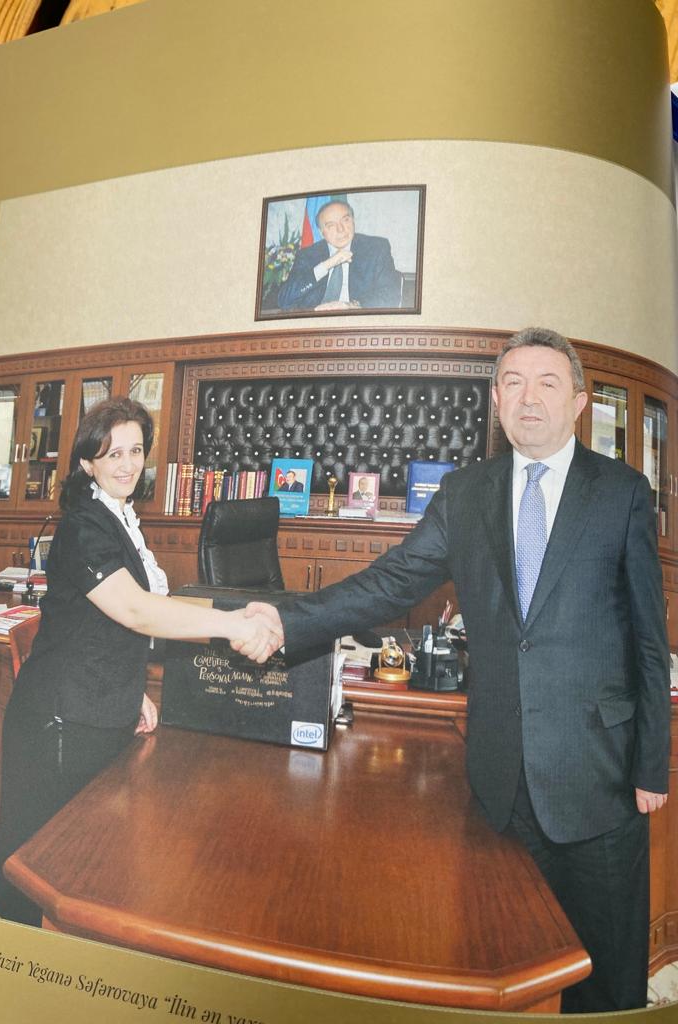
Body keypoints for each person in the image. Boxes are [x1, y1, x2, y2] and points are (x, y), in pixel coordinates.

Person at [245, 328, 670, 1014]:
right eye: (513, 383)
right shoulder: (465, 492)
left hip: (602, 777)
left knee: (605, 981)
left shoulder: (622, 492)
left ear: (579, 402)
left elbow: (650, 639)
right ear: (496, 401)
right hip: (500, 777)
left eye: (548, 383)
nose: (529, 398)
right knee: (505, 960)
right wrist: (289, 619)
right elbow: (391, 582)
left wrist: (652, 764)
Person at [0, 397, 281, 926]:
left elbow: (106, 626)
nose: (127, 464)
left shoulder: (119, 518)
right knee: (43, 866)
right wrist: (233, 625)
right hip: (59, 718)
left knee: (84, 855)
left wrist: (134, 687)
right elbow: (134, 610)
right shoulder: (84, 526)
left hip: (97, 701)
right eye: (113, 453)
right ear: (87, 462)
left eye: (136, 451)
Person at [277, 200, 402, 311]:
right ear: (321, 232)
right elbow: (284, 300)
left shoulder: (375, 248)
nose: (340, 229)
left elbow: (391, 295)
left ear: (353, 221)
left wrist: (352, 306)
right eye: (331, 225)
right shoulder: (308, 255)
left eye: (345, 220)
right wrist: (326, 265)